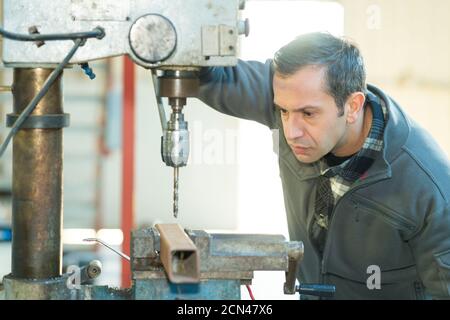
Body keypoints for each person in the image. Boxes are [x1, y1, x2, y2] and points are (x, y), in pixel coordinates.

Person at [196, 32, 450, 299]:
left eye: (308, 114)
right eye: (282, 111)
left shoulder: (429, 189)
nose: (291, 131)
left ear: (352, 106)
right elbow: (210, 78)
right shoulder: (294, 93)